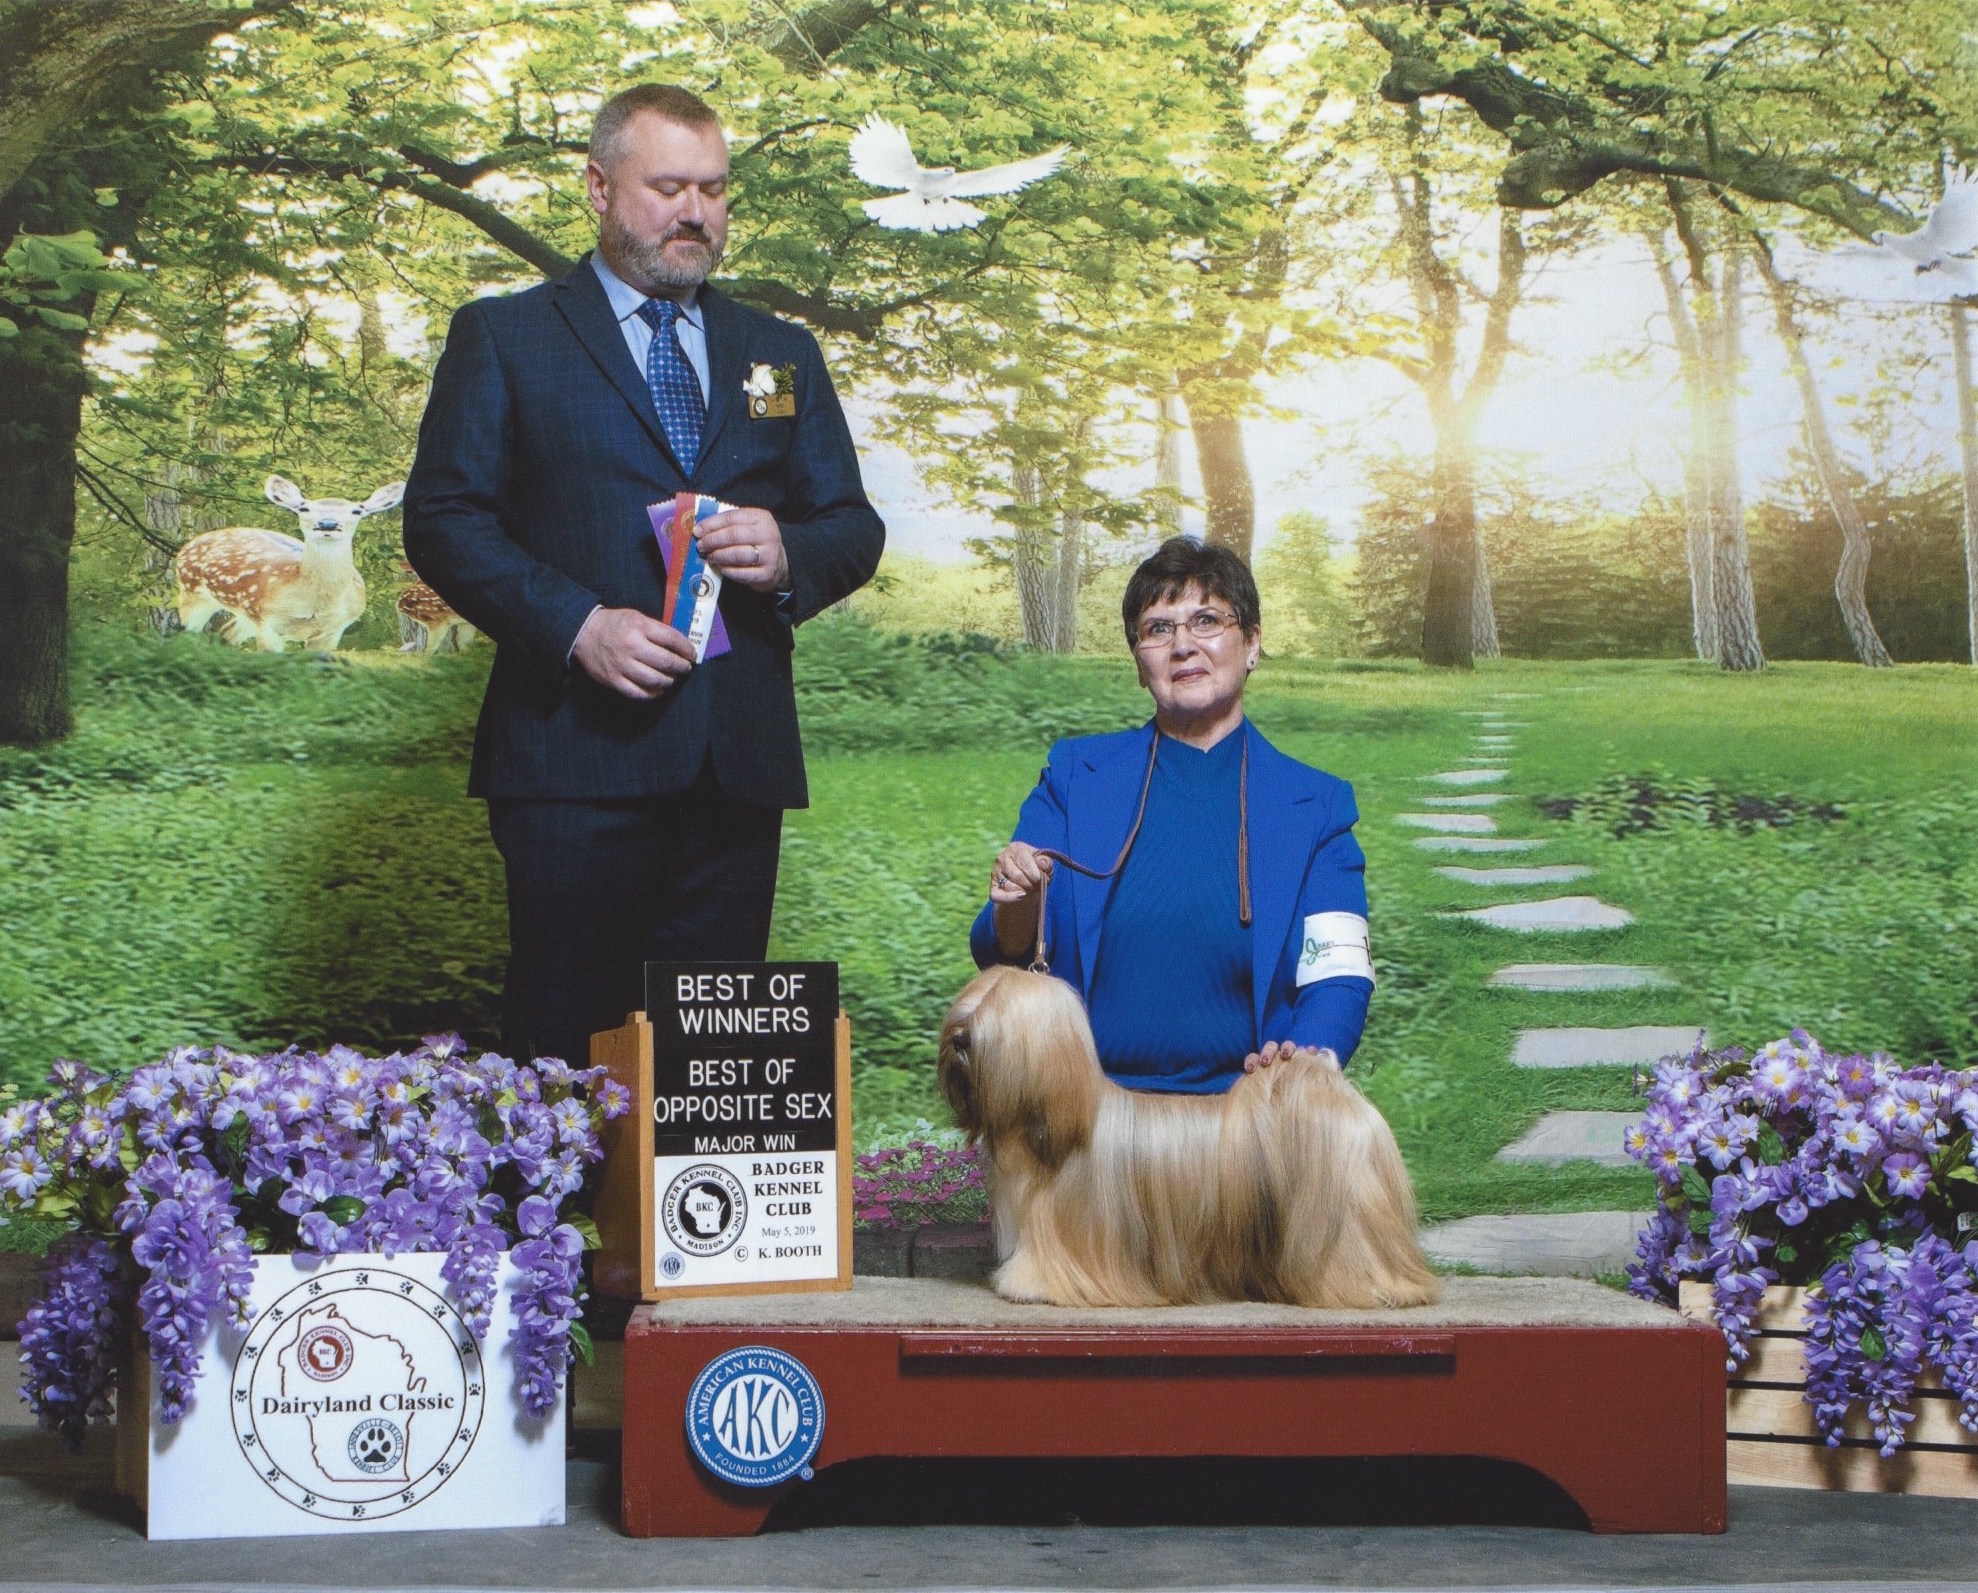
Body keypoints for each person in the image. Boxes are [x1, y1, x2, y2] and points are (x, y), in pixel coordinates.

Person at [403, 84, 884, 1066]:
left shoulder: (775, 356)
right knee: (563, 1044)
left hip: (734, 763)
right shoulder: (504, 337)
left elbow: (850, 525)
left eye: (712, 190)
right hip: (569, 757)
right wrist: (578, 626)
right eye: (667, 185)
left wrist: (788, 552)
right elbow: (443, 520)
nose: (694, 212)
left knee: (711, 1068)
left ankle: (693, 1228)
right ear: (597, 186)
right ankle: (556, 1226)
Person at [971, 537, 1375, 1090]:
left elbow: (1339, 975)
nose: (1183, 646)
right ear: (1140, 663)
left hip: (1247, 1119)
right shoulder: (1073, 776)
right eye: (1158, 629)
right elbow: (1000, 946)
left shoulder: (1316, 805)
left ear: (1252, 643)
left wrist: (1304, 1067)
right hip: (1091, 1119)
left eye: (1206, 620)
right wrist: (1019, 896)